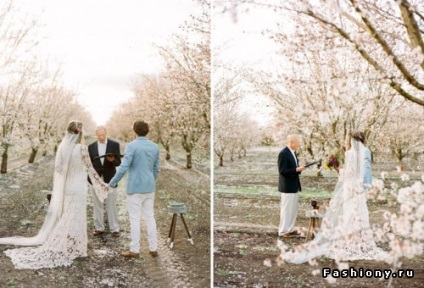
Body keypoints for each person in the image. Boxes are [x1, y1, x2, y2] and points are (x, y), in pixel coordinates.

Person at [0, 121, 111, 269]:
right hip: (79, 187)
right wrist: (102, 186)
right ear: (80, 132)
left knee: (68, 213)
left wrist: (67, 172)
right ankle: (77, 246)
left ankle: (68, 242)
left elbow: (58, 168)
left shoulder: (63, 147)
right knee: (77, 215)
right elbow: (90, 169)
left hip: (67, 186)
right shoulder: (82, 148)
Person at [281, 132, 386, 264]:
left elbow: (347, 174)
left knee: (348, 213)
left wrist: (337, 168)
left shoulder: (349, 153)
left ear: (351, 140)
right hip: (357, 187)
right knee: (359, 212)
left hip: (349, 187)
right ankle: (361, 240)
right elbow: (365, 171)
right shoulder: (366, 151)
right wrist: (365, 185)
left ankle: (348, 240)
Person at [108, 120, 160, 258]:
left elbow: (124, 167)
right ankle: (153, 248)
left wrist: (112, 183)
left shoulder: (131, 146)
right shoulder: (155, 147)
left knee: (135, 219)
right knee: (150, 217)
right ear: (148, 131)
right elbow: (156, 169)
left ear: (134, 131)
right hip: (149, 187)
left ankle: (135, 250)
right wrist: (150, 180)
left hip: (135, 188)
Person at [88, 126, 121, 237]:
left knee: (111, 204)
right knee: (97, 204)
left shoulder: (114, 145)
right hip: (96, 179)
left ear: (106, 133)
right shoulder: (91, 147)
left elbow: (118, 162)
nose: (101, 137)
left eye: (103, 135)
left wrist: (112, 160)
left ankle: (114, 229)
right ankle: (99, 228)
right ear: (96, 135)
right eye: (99, 135)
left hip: (110, 178)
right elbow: (90, 164)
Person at [278, 134, 305, 238]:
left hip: (294, 185)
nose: (299, 144)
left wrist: (298, 169)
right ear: (292, 142)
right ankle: (283, 231)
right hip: (287, 187)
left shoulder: (293, 152)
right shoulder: (283, 153)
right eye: (298, 142)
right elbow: (282, 171)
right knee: (286, 209)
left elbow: (293, 168)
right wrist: (296, 170)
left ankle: (290, 229)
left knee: (293, 209)